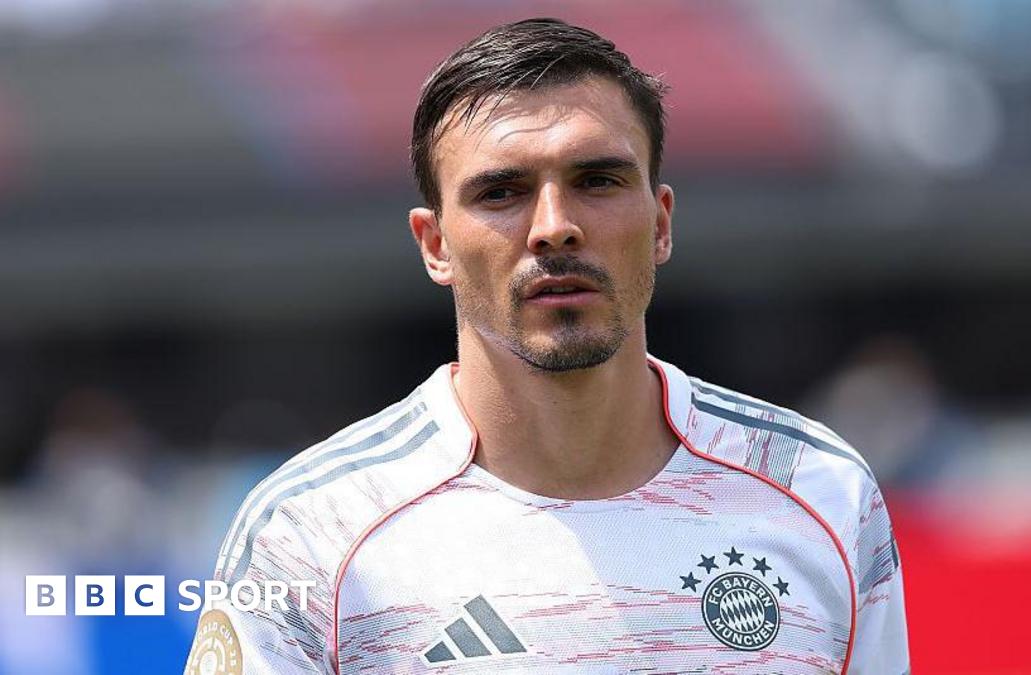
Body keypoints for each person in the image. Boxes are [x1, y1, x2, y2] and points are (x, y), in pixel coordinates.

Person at [185, 17, 908, 675]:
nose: (554, 226)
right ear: (434, 244)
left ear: (660, 224)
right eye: (502, 192)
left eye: (597, 179)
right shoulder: (313, 531)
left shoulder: (819, 491)